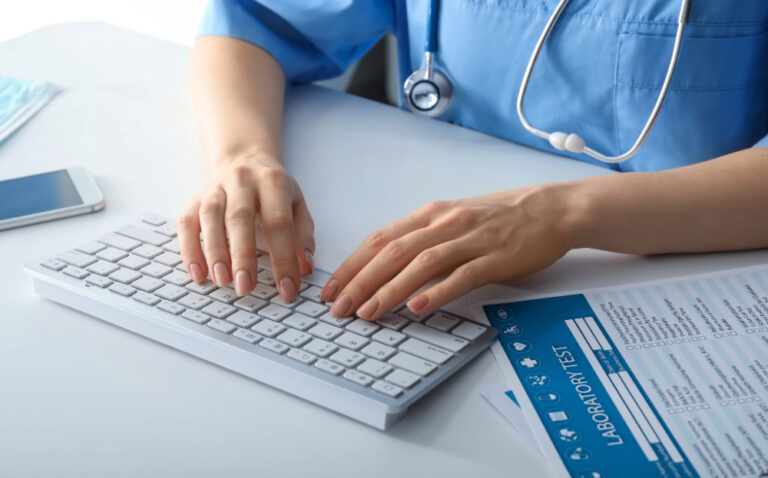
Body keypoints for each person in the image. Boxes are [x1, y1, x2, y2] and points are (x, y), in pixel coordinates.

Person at [178, 0, 768, 323]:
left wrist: (563, 212)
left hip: (688, 285)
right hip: (454, 276)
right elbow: (254, 19)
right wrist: (244, 156)